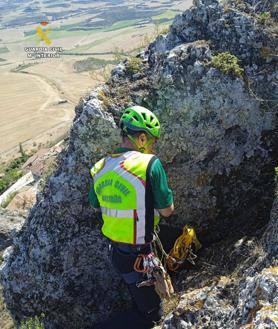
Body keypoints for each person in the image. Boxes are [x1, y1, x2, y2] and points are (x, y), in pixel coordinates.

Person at [88, 105, 174, 329]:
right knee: (151, 315)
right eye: (153, 140)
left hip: (118, 252)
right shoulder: (149, 164)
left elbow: (95, 204)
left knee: (140, 295)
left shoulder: (99, 168)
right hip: (141, 255)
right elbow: (167, 210)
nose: (153, 146)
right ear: (143, 138)